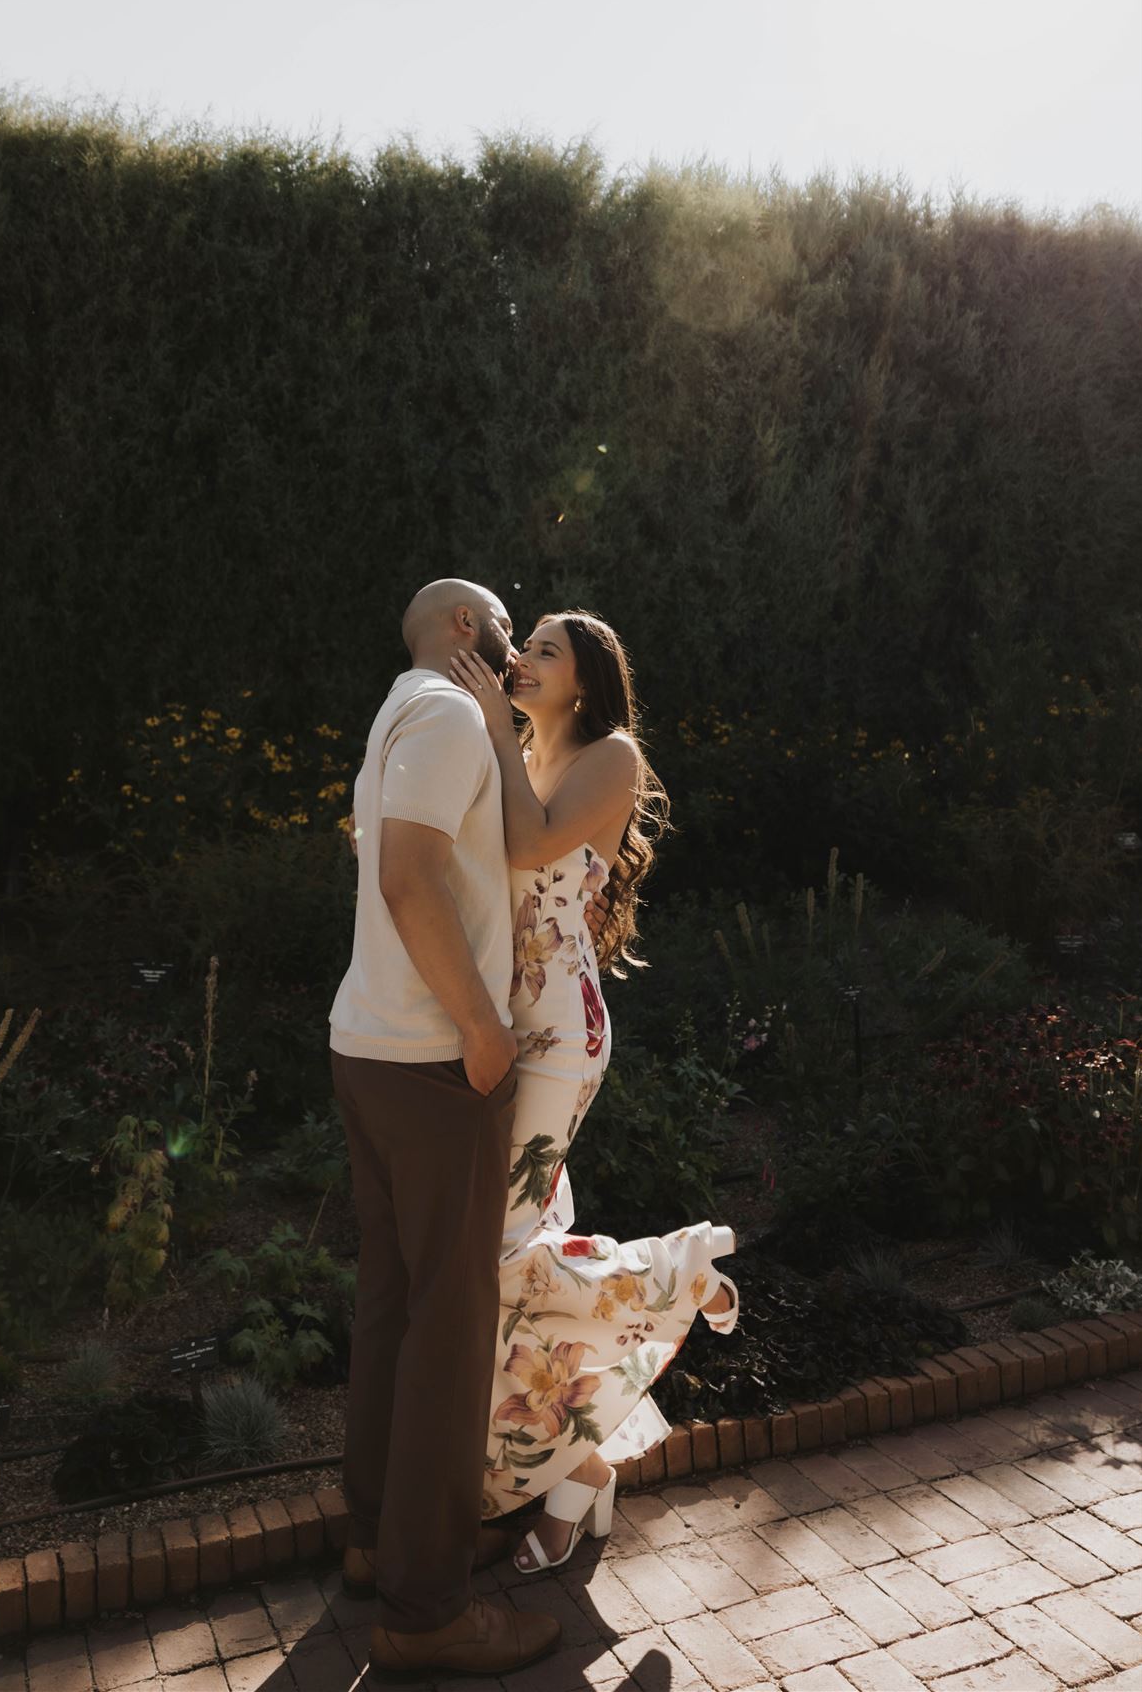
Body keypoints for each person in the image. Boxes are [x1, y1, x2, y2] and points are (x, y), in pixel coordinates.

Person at [329, 579, 605, 1679]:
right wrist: (482, 1030)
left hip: (373, 1048)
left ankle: (373, 1541)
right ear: (461, 629)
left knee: (393, 1303)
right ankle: (427, 1606)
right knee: (450, 1331)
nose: (512, 637)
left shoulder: (402, 708)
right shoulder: (446, 712)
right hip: (434, 1062)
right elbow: (406, 875)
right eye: (504, 621)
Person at [449, 609, 740, 1575]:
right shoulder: (523, 758)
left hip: (559, 1037)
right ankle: (584, 1479)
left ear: (584, 679)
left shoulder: (607, 755)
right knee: (500, 1255)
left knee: (494, 1257)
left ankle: (675, 1273)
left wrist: (492, 720)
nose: (519, 661)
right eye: (518, 646)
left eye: (541, 651)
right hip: (504, 1027)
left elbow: (530, 851)